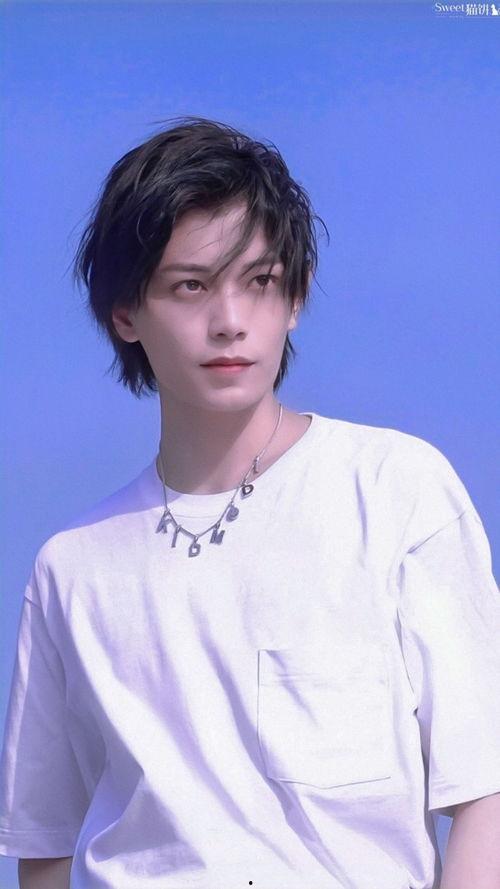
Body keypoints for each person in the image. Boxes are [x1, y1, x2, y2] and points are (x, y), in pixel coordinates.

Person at [0, 116, 499, 889]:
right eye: (191, 285)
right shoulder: (72, 568)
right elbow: (45, 848)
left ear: (295, 296)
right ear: (125, 313)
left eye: (260, 281)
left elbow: (485, 791)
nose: (230, 320)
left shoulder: (395, 489)